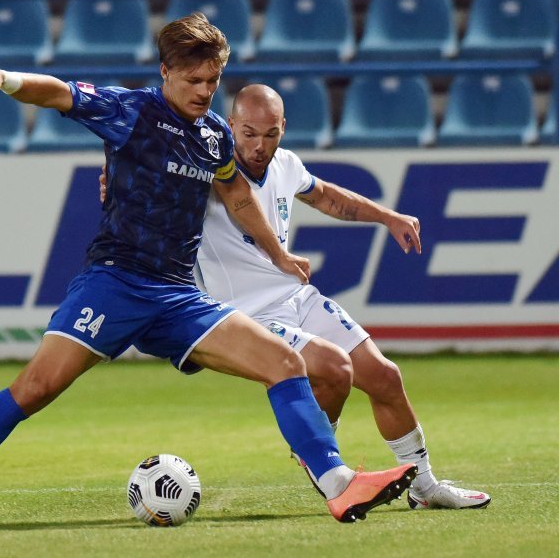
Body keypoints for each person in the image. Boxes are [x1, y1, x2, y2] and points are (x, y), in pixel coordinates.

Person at [0, 14, 415, 531]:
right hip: (116, 282)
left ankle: (339, 485)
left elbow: (238, 198)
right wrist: (5, 79)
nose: (205, 91)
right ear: (166, 72)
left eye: (213, 79)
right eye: (195, 79)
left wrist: (277, 256)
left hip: (178, 295)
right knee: (34, 388)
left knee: (285, 360)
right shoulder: (130, 111)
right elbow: (59, 92)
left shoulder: (214, 136)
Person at [193, 84, 491, 510]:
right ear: (232, 124)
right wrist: (118, 189)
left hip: (296, 296)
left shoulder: (286, 164)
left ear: (284, 128)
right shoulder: (205, 169)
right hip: (248, 315)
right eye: (249, 133)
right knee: (336, 368)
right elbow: (154, 186)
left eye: (271, 134)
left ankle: (425, 487)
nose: (260, 146)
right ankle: (318, 453)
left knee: (385, 376)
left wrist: (387, 217)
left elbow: (328, 196)